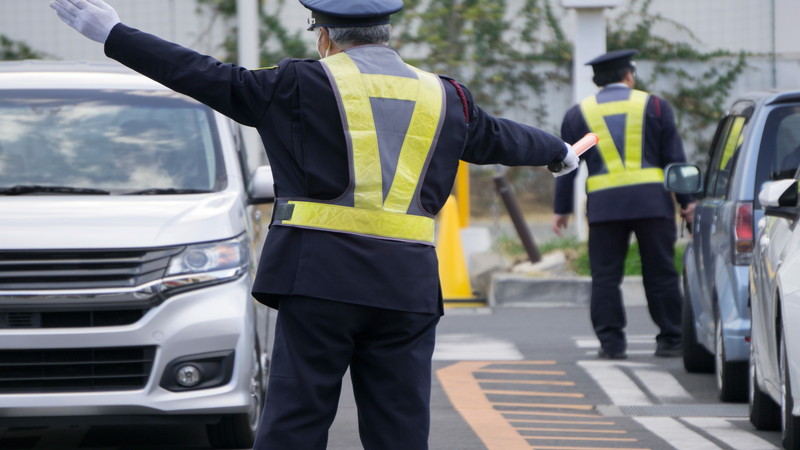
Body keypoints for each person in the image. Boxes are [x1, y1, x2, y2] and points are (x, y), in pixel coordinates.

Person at [50, 0, 580, 448]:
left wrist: (112, 33)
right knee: (400, 430)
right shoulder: (447, 97)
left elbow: (203, 74)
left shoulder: (296, 83)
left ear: (324, 36)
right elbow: (503, 137)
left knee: (296, 423)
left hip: (317, 281)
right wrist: (558, 151)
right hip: (407, 287)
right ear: (386, 34)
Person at [551, 49, 696, 360]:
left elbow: (568, 163)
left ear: (598, 80)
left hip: (605, 209)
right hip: (652, 206)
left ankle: (612, 344)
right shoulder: (655, 106)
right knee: (661, 272)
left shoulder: (579, 114)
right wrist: (687, 202)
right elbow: (674, 159)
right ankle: (671, 339)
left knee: (605, 277)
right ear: (629, 75)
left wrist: (562, 209)